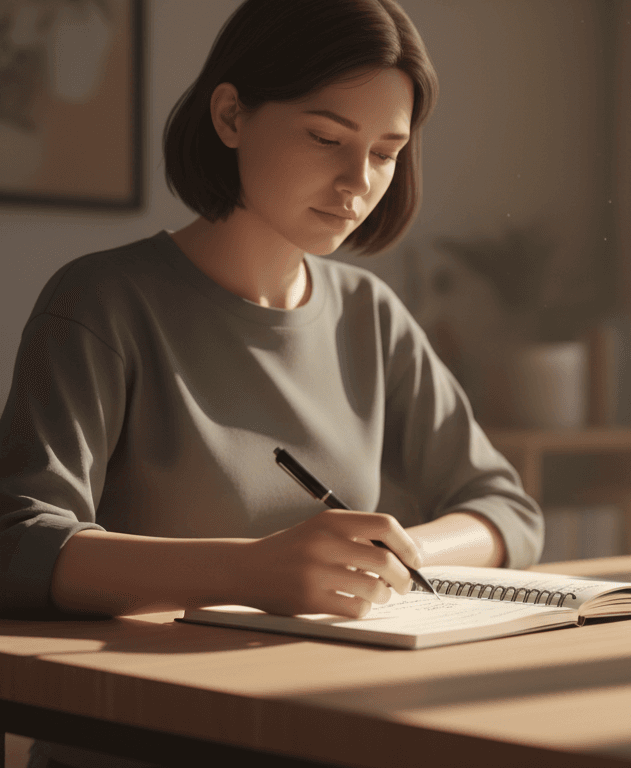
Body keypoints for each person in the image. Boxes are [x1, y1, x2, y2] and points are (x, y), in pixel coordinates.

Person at [0, 0, 543, 753]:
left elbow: (507, 511)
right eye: (327, 137)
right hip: (143, 736)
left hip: (324, 724)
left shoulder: (370, 315)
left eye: (386, 151)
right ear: (230, 116)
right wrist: (254, 570)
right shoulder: (99, 302)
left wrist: (393, 555)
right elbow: (19, 546)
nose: (358, 181)